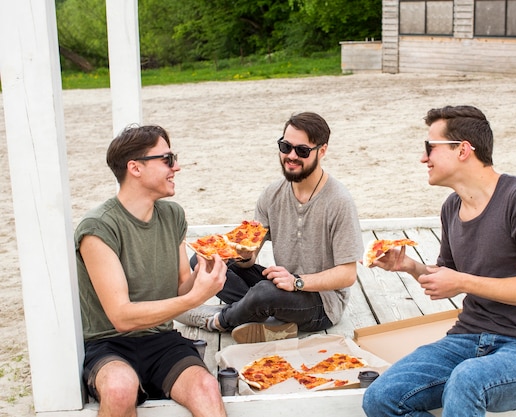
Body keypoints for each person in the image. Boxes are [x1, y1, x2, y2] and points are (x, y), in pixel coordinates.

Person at [362, 105, 516, 417]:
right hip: (467, 338)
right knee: (381, 398)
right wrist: (411, 267)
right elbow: (449, 278)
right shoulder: (451, 207)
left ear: (463, 150)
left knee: (467, 379)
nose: (423, 158)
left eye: (430, 147)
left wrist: (463, 282)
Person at [75, 125, 228, 417]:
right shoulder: (98, 227)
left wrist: (207, 268)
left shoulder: (173, 215)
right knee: (120, 389)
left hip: (160, 340)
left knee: (207, 387)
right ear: (135, 168)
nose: (177, 167)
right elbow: (121, 317)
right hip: (108, 344)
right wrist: (195, 299)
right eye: (167, 159)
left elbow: (183, 283)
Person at [176, 111, 363, 344]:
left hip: (321, 302)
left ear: (322, 151)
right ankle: (266, 317)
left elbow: (347, 275)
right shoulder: (271, 194)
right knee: (204, 261)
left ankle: (219, 320)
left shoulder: (339, 201)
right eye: (285, 147)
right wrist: (244, 255)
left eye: (302, 151)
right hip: (282, 287)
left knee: (265, 293)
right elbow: (249, 261)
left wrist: (297, 282)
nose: (291, 156)